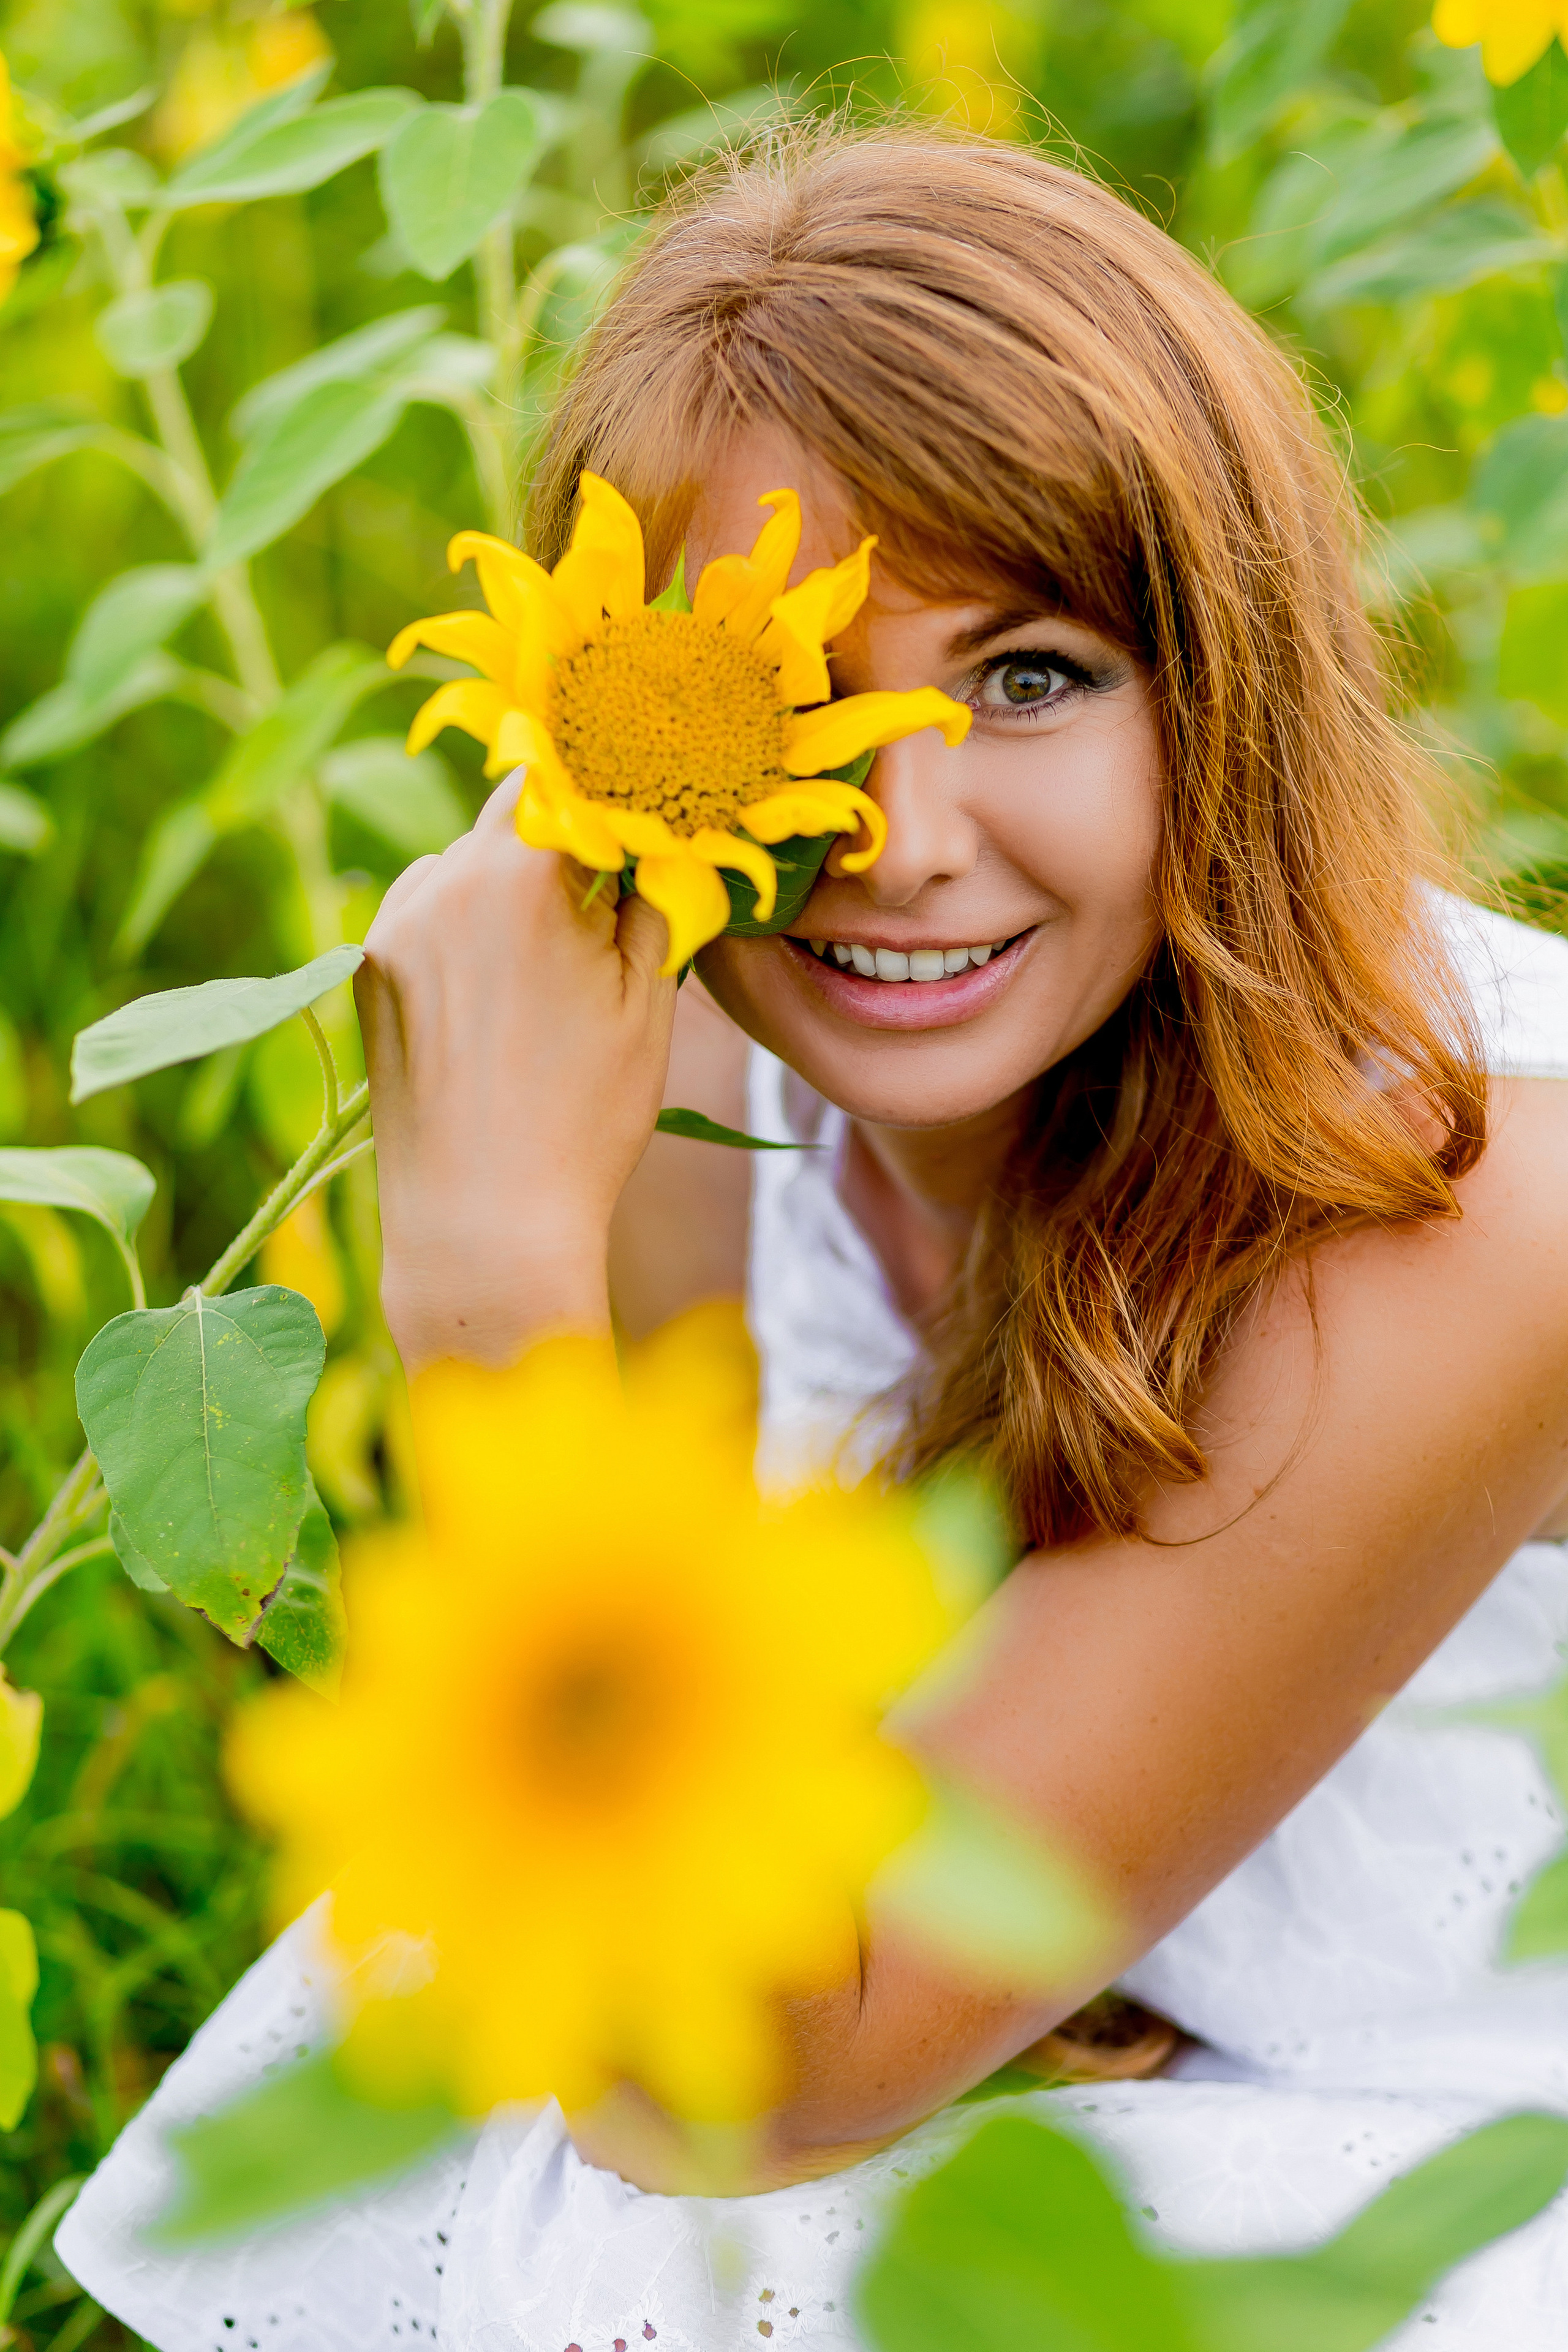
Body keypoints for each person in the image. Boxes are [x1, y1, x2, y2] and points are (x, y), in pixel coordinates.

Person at [59, 124, 1568, 2350]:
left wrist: (488, 1287)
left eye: (1033, 673)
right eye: (785, 698)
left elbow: (741, 2076)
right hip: (1034, 2032)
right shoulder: (707, 1084)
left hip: (1453, 2146)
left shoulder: (1467, 1200)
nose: (902, 835)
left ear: (1226, 687)